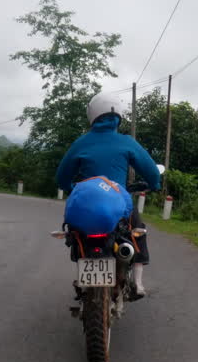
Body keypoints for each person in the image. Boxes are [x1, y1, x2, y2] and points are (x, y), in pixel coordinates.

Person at [56, 92, 162, 299]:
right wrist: (154, 184)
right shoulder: (127, 142)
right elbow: (151, 172)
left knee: (75, 233)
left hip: (86, 206)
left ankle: (82, 267)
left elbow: (61, 178)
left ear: (92, 115)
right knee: (138, 230)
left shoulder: (81, 142)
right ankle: (138, 283)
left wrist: (72, 188)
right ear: (119, 116)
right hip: (119, 203)